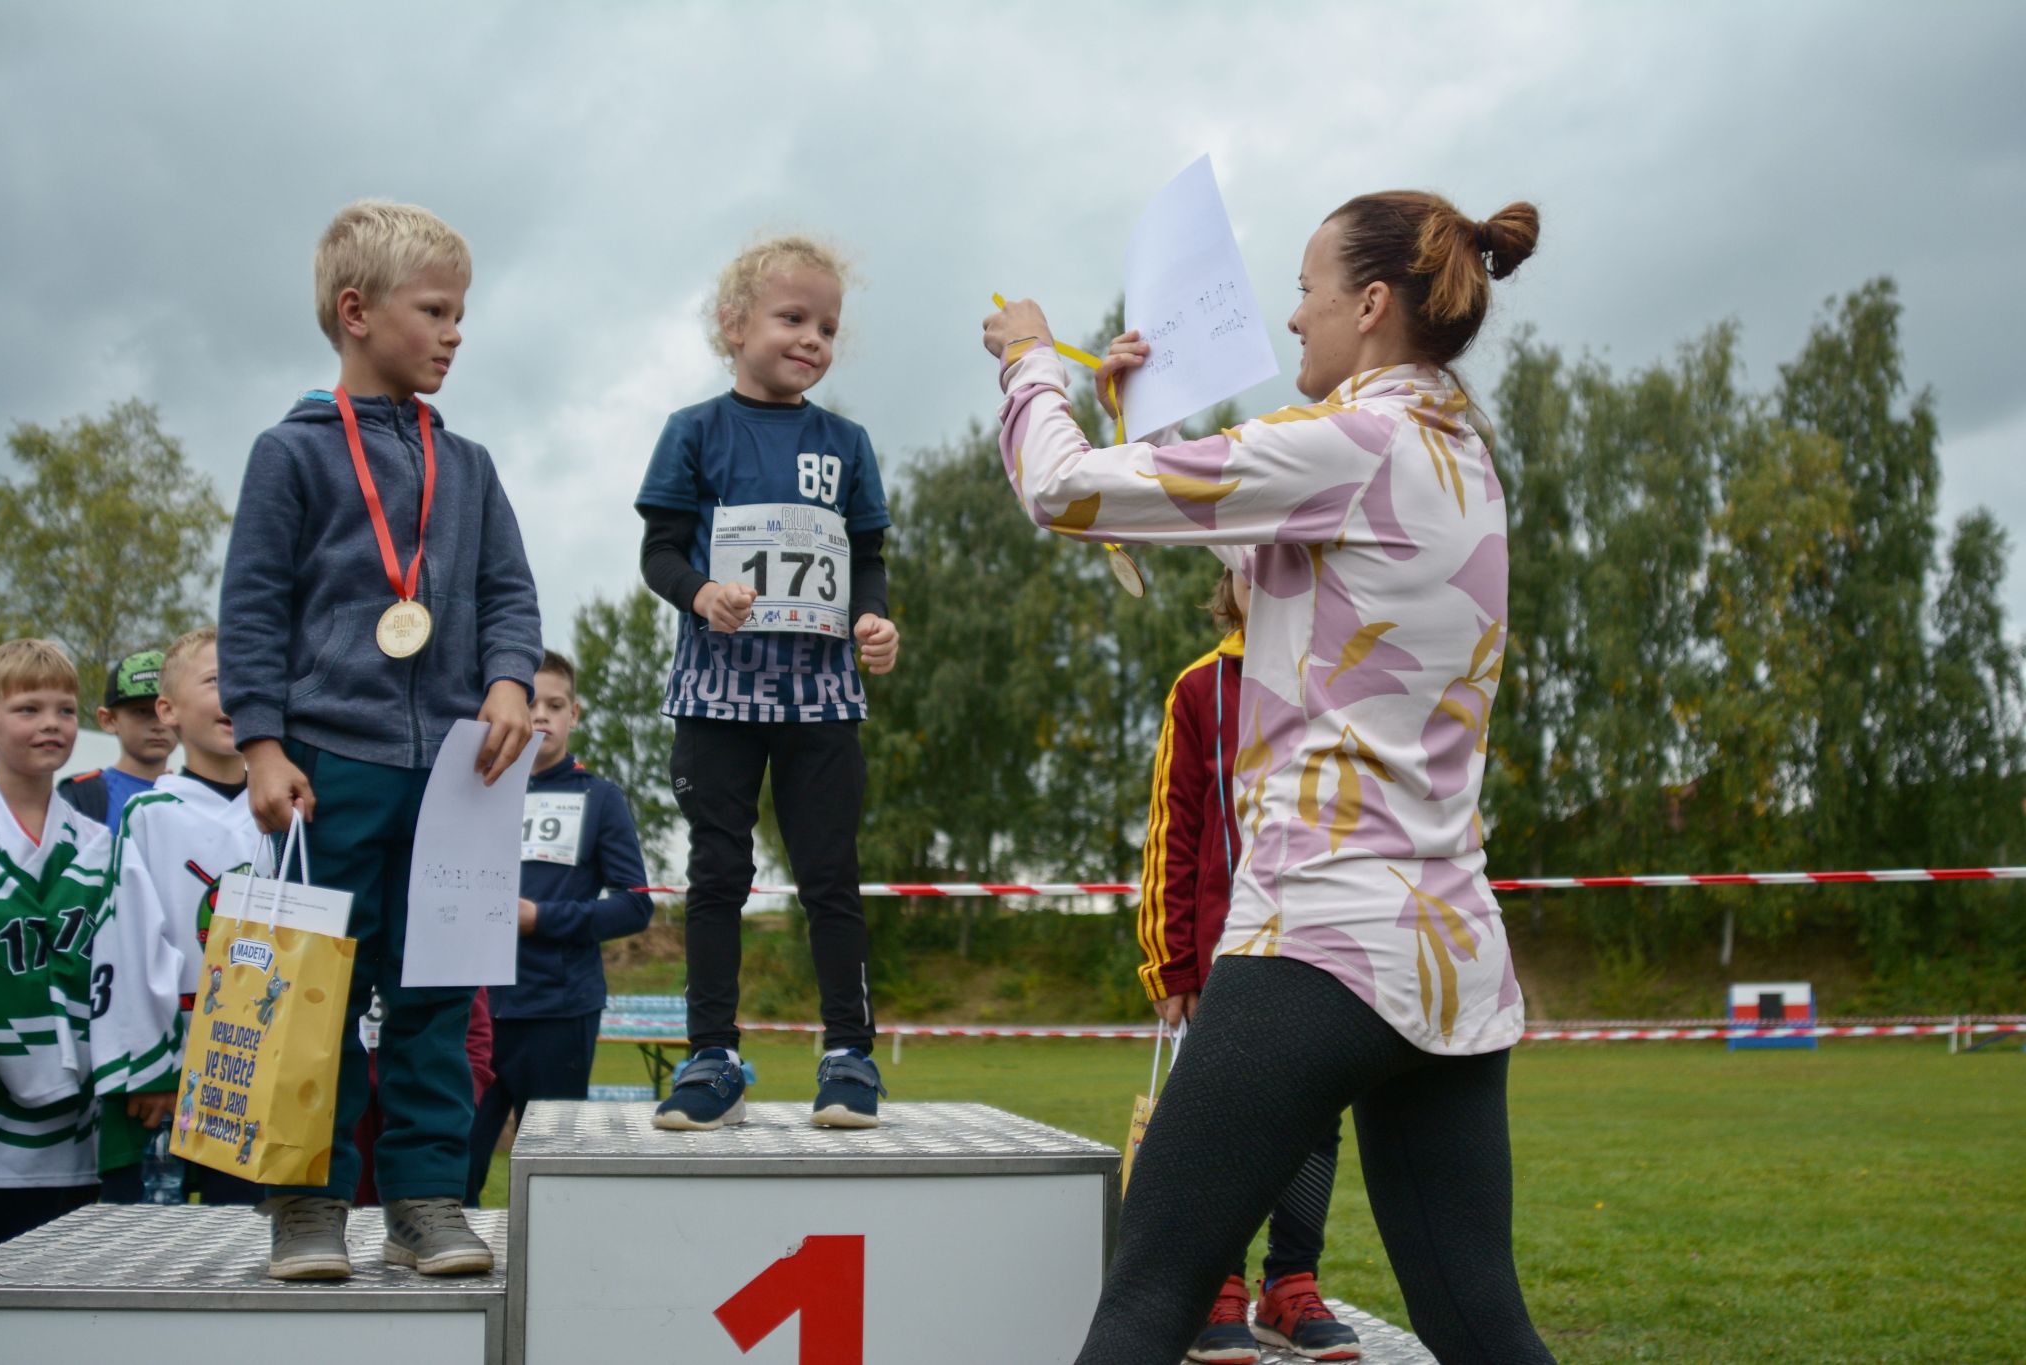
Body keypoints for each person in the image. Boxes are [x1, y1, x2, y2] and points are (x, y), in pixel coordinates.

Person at [983, 191, 1555, 1365]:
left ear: (1369, 303)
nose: (1292, 317)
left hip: (1316, 938)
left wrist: (1030, 362)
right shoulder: (1458, 455)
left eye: (1305, 289)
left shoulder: (1348, 445)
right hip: (1448, 960)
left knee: (1146, 1302)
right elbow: (1233, 540)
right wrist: (1134, 415)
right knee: (1480, 1327)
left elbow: (1061, 493)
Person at [219, 198, 542, 1279]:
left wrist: (508, 681)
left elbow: (509, 593)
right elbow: (253, 607)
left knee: (437, 998)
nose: (456, 332)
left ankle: (424, 1201)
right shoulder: (290, 455)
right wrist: (263, 745)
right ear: (356, 312)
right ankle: (306, 1207)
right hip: (330, 768)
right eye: (435, 310)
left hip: (457, 774)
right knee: (310, 994)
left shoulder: (472, 466)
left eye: (462, 313)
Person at [635, 235, 899, 1132]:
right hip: (718, 693)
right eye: (793, 318)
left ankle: (849, 1055)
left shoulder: (846, 443)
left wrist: (874, 619)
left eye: (827, 326)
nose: (812, 339)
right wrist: (700, 592)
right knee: (718, 873)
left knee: (831, 876)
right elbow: (659, 551)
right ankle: (711, 1056)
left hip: (820, 695)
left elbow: (867, 558)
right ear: (734, 324)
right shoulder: (694, 431)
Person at [1141, 570, 1359, 1363]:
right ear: (1227, 583)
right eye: (1246, 564)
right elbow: (1174, 828)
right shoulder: (1201, 687)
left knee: (1314, 1118)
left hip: (1322, 945)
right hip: (1224, 954)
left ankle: (1289, 1284)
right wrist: (1170, 961)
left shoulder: (1341, 677)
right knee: (1219, 1121)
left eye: (1279, 561)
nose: (1262, 576)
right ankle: (1218, 1286)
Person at [465, 650, 651, 1200]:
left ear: (575, 714)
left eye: (554, 704)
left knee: (552, 1178)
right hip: (471, 1011)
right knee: (453, 1168)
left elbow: (636, 905)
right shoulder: (472, 792)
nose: (540, 716)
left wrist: (541, 919)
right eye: (528, 704)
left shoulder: (600, 798)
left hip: (558, 1012)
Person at [89, 627, 266, 1206]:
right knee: (151, 1242)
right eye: (215, 680)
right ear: (168, 711)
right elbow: (127, 945)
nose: (234, 693)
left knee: (245, 1234)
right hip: (171, 1072)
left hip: (261, 1072)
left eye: (246, 678)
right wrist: (152, 1071)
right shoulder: (149, 814)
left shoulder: (283, 814)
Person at [0, 640, 106, 1249]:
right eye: (28, 709)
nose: (51, 723)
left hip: (77, 1125)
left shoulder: (99, 842)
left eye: (65, 710)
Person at [56, 650, 173, 832]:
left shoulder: (196, 796)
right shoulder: (82, 796)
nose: (158, 725)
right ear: (108, 720)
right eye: (142, 712)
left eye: (167, 710)